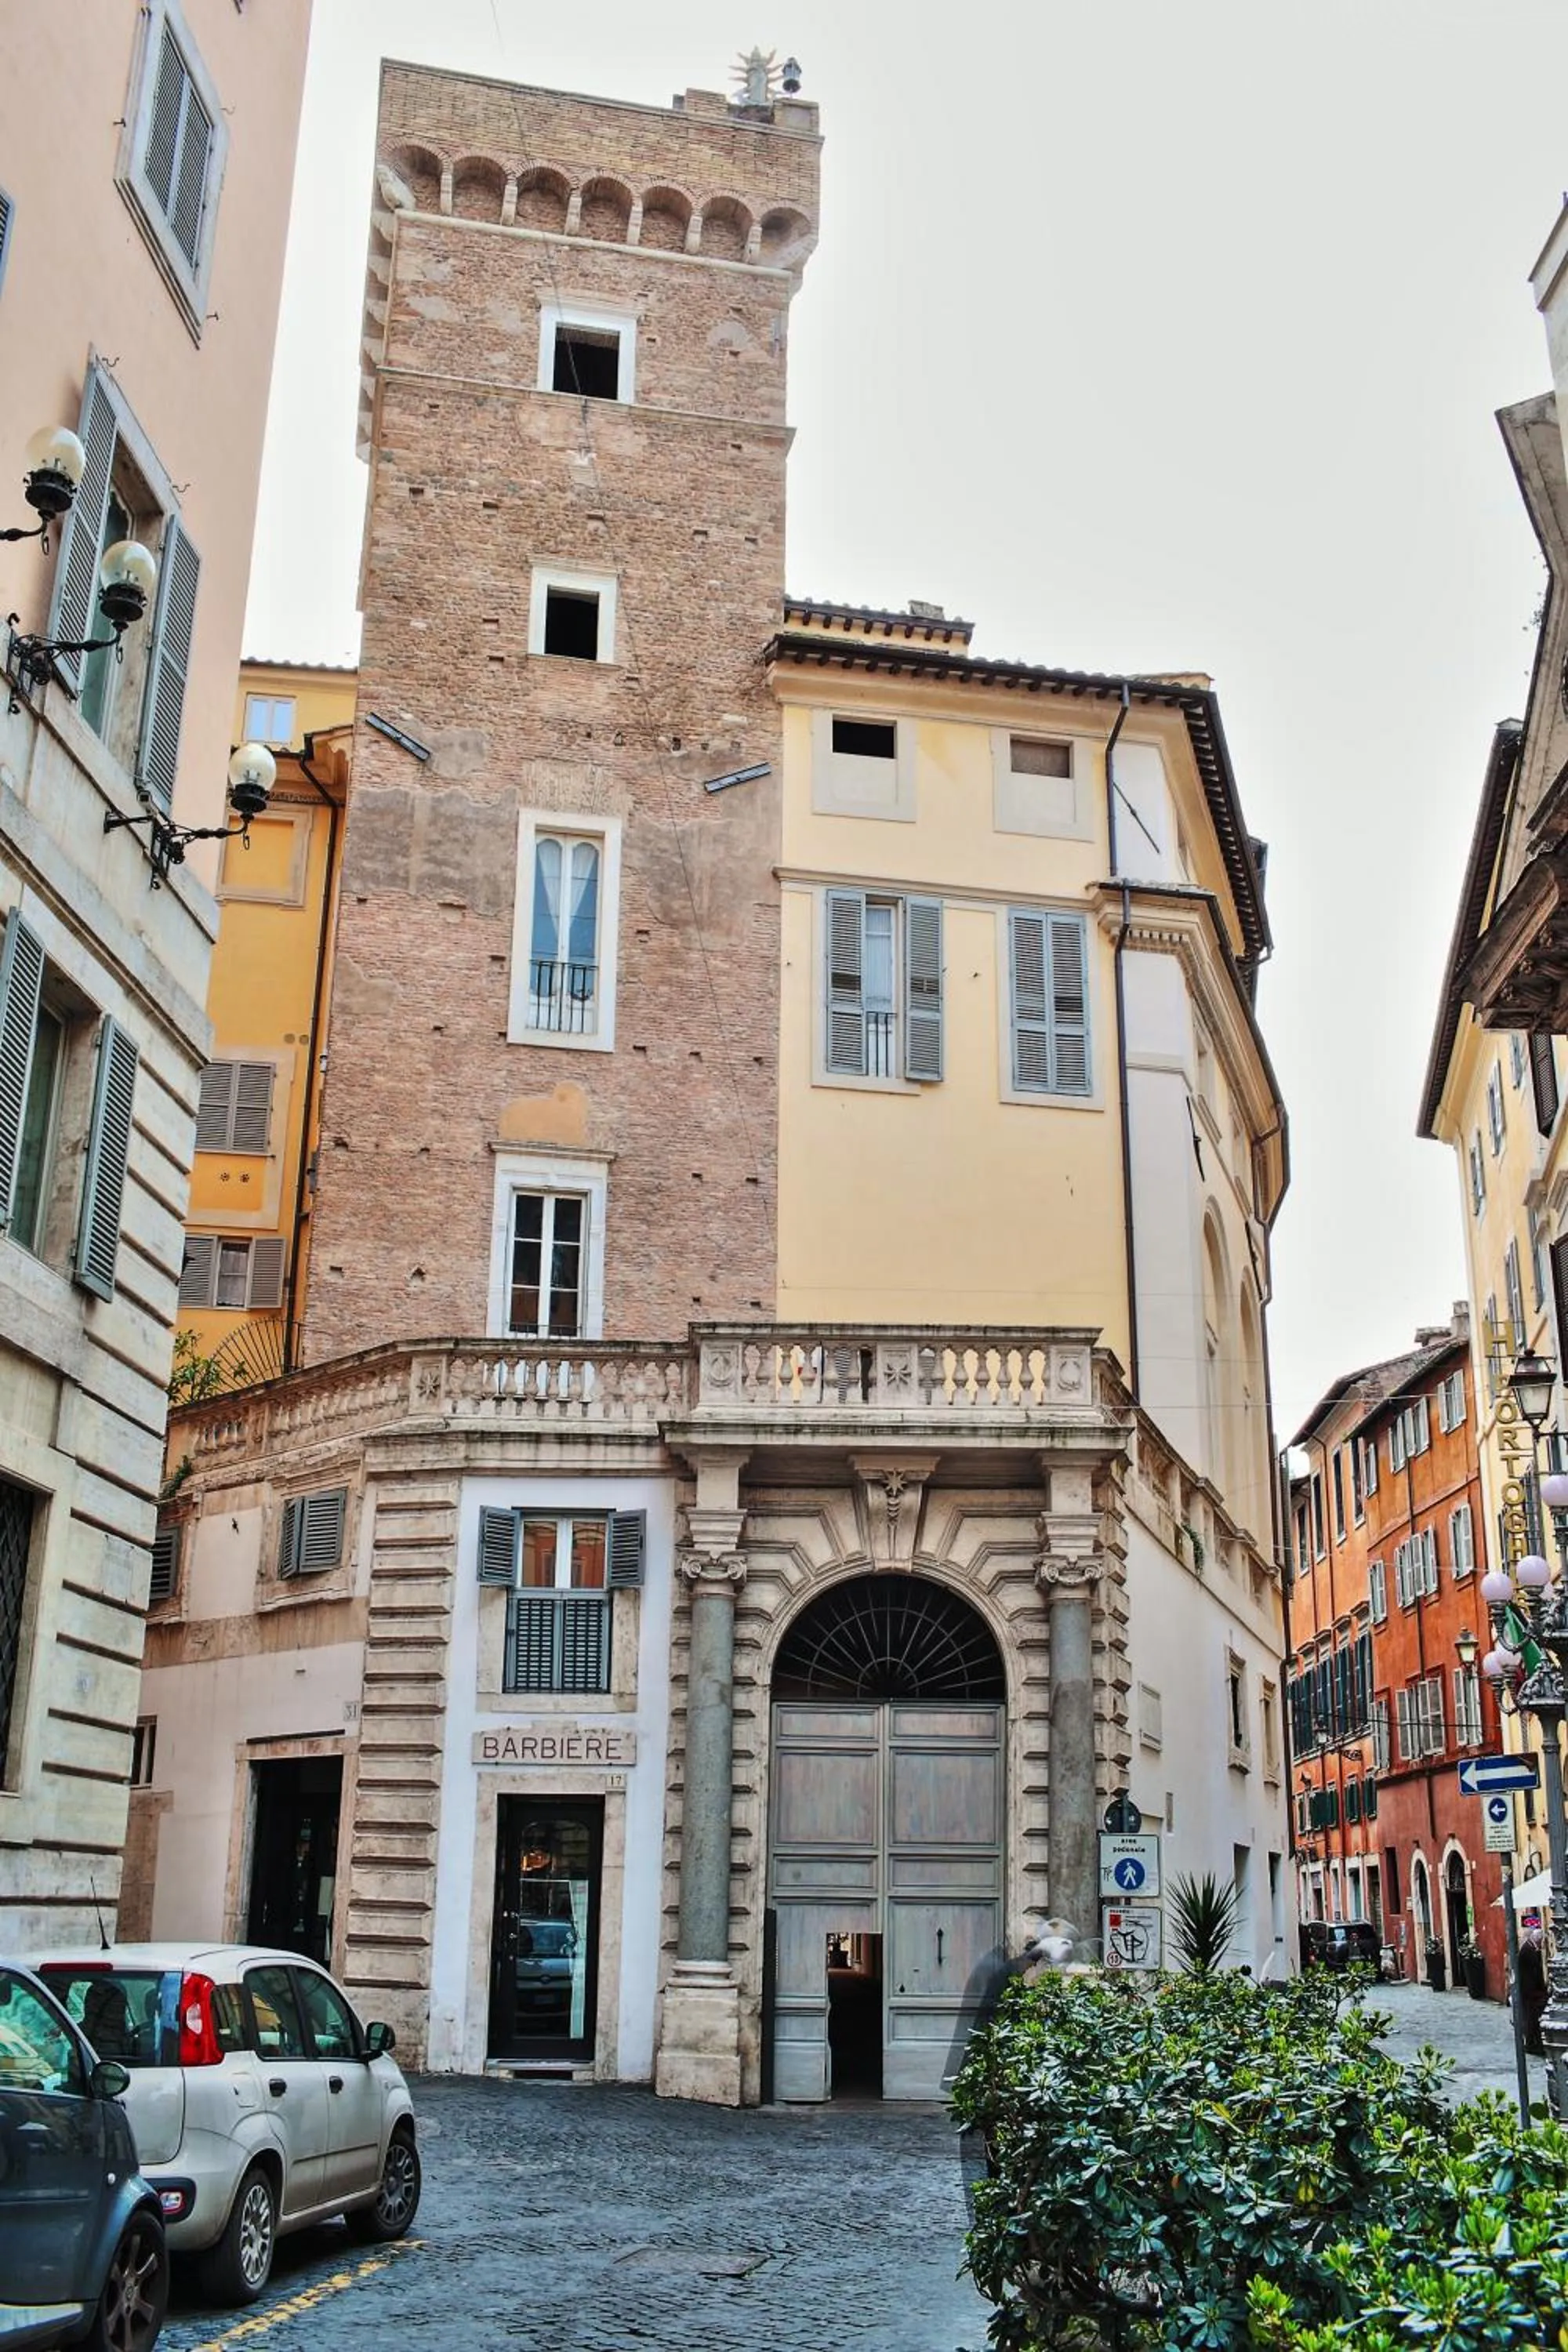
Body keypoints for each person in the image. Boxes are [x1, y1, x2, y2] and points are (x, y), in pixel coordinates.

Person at [1515, 1917, 1548, 2056]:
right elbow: (1530, 1975)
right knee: (1531, 2019)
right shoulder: (1528, 1951)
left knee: (1531, 2019)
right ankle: (1531, 2043)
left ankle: (1532, 2042)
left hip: (1531, 1992)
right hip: (1530, 1993)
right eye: (1541, 1941)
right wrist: (1537, 1992)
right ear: (1537, 1939)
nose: (1541, 1944)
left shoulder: (1529, 1949)